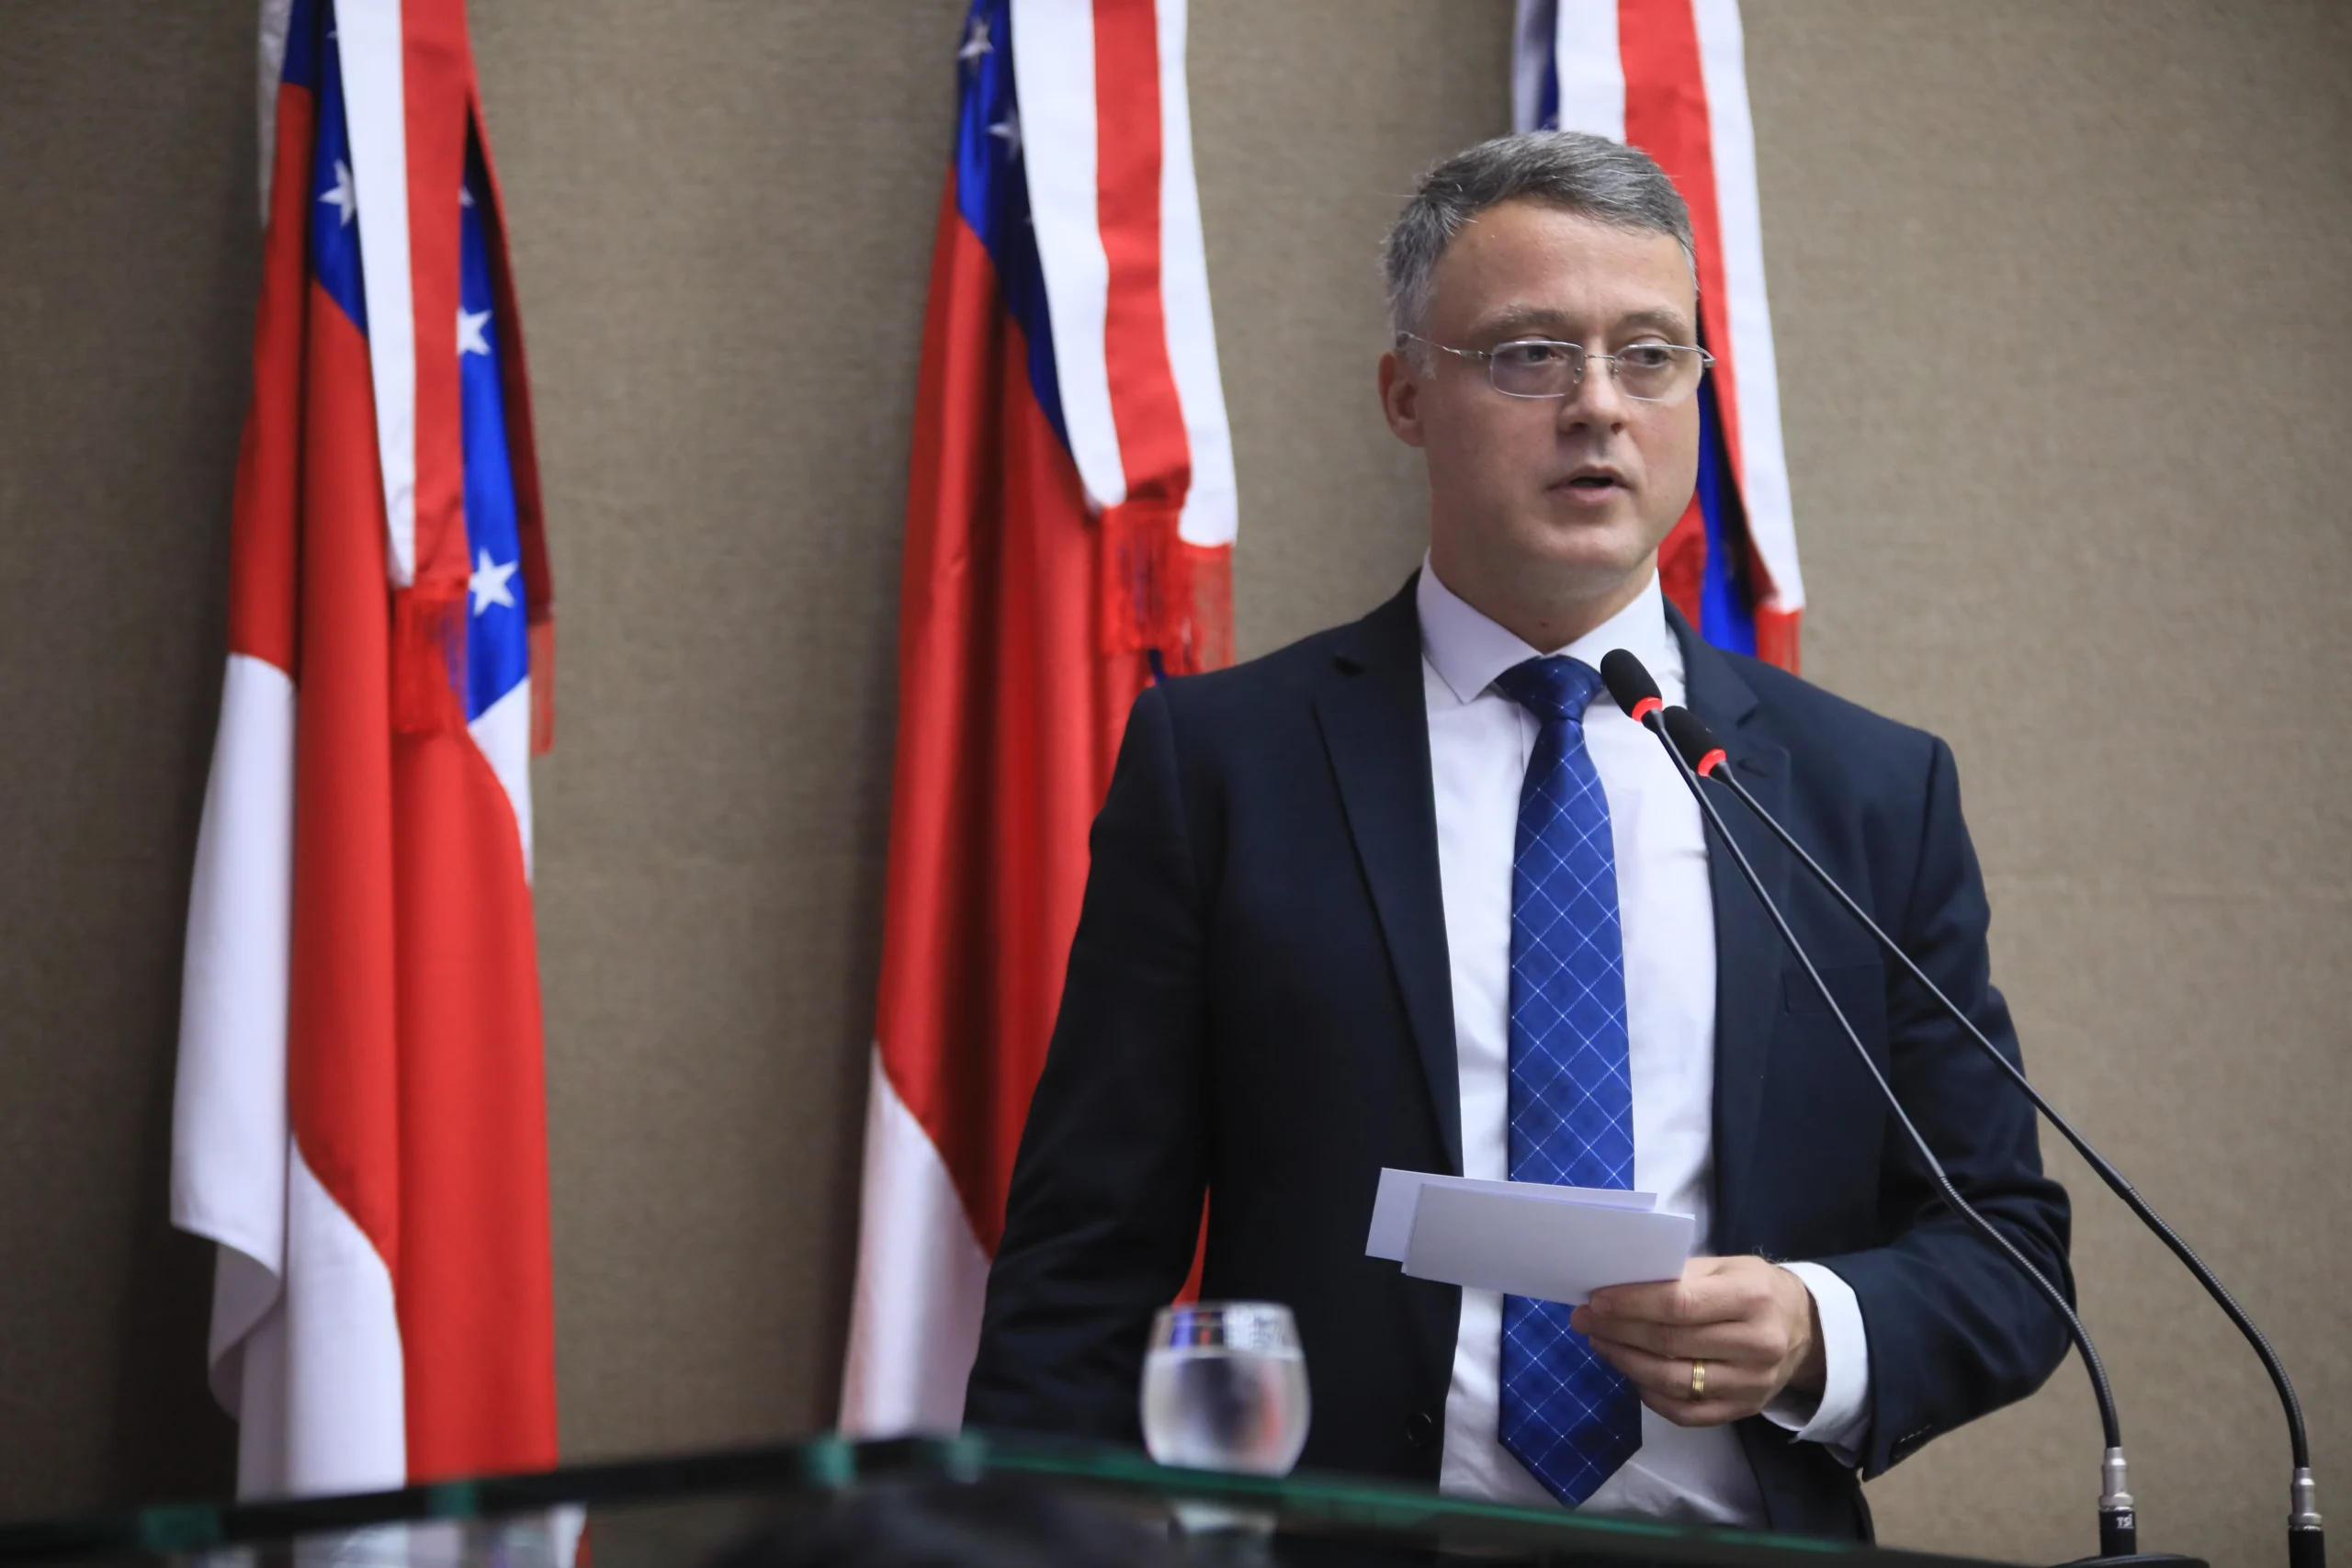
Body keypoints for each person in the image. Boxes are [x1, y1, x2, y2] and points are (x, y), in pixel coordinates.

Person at [962, 131, 2071, 1542]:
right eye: (1531, 354)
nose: (1599, 407)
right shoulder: (1226, 764)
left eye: (1651, 355)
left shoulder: (1864, 791)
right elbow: (1082, 1264)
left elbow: (2006, 1251)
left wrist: (1812, 1326)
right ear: (1406, 394)